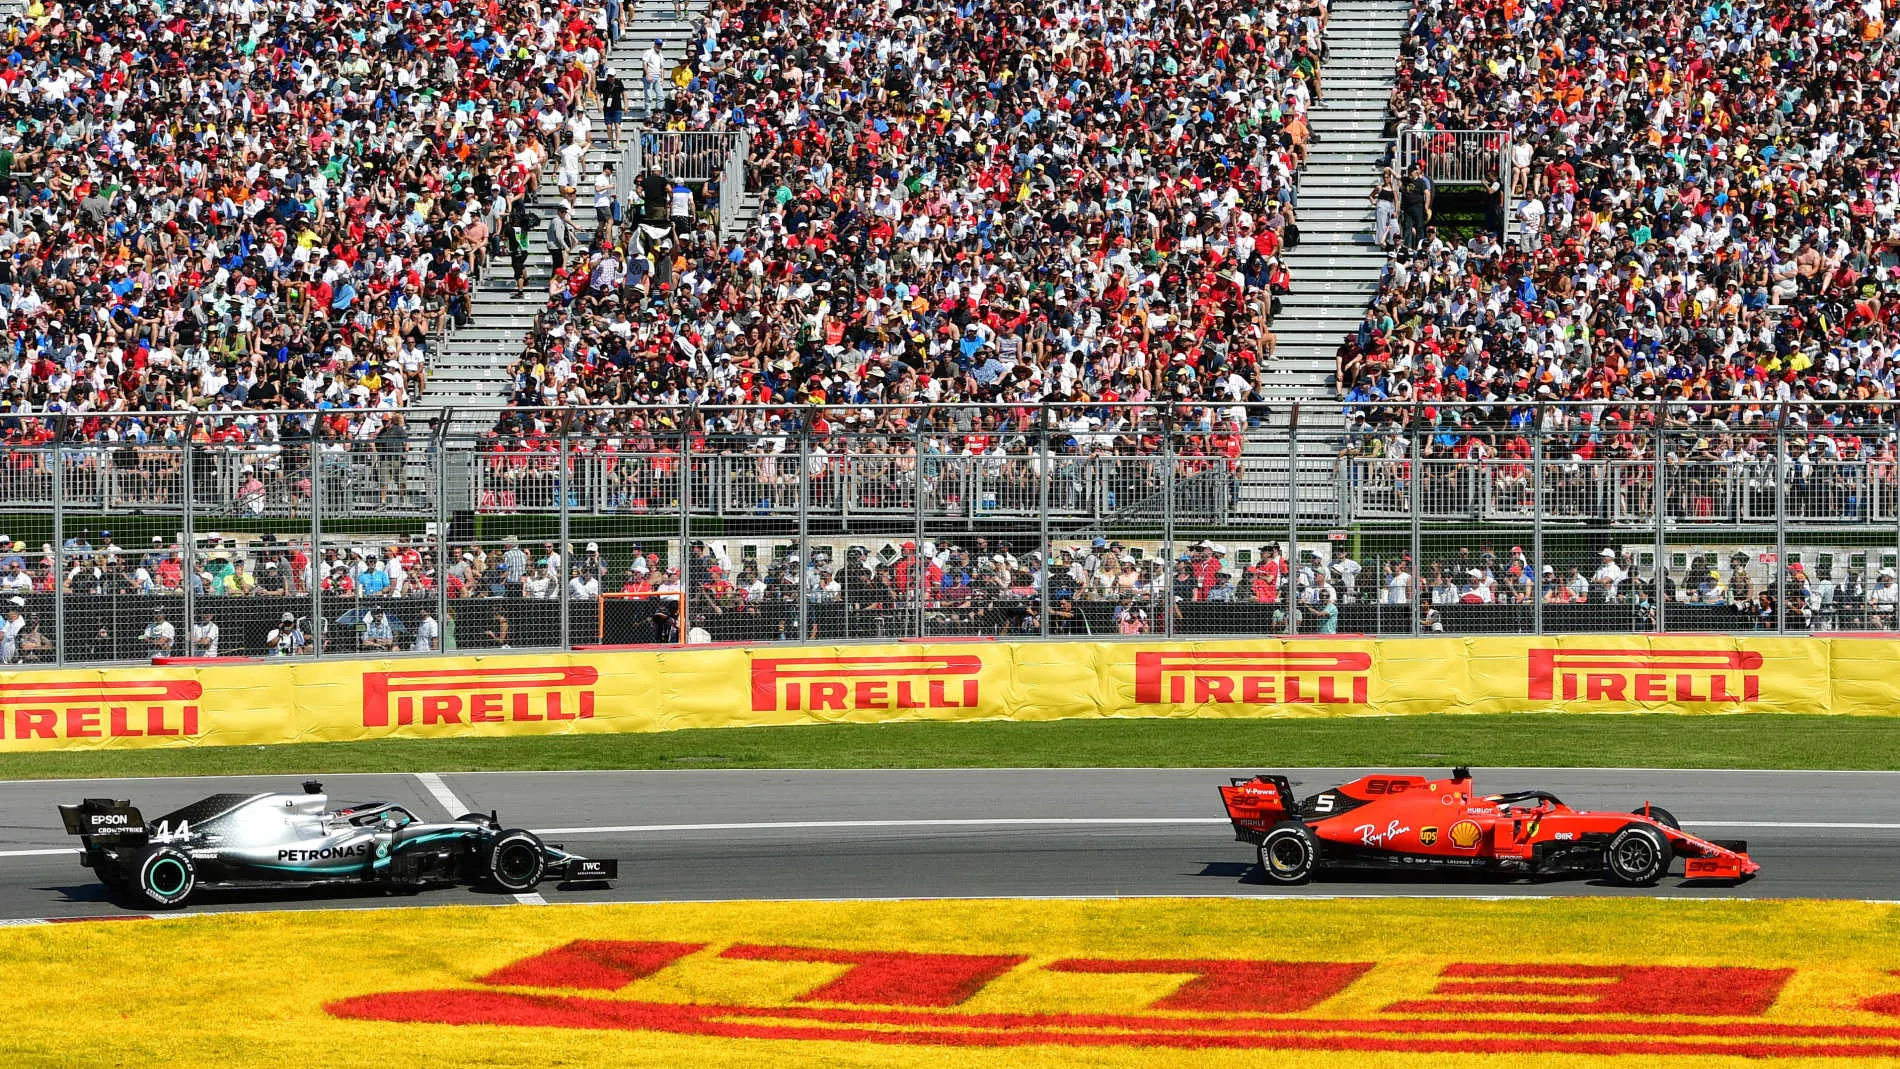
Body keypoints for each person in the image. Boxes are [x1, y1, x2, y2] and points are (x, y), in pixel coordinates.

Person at [1399, 163, 1431, 249]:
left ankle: (1420, 247)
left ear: (1415, 172)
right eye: (1408, 171)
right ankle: (1407, 247)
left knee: (1419, 226)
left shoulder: (1421, 182)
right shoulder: (1406, 180)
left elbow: (1427, 194)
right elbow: (1397, 177)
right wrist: (1390, 170)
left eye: (1411, 171)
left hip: (1418, 206)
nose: (1409, 173)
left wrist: (1426, 206)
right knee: (1407, 227)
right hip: (1408, 207)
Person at [600, 69, 626, 146]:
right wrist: (599, 105)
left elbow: (624, 94)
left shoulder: (619, 82)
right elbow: (598, 94)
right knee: (609, 126)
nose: (611, 77)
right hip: (607, 109)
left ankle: (617, 142)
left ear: (615, 76)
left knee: (617, 125)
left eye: (612, 76)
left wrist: (626, 105)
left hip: (617, 108)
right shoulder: (604, 84)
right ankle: (611, 142)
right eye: (609, 76)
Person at [642, 39, 668, 115]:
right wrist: (647, 75)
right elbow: (644, 63)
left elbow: (662, 67)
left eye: (660, 45)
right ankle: (647, 115)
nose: (659, 46)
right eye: (658, 44)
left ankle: (658, 113)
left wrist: (662, 79)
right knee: (649, 97)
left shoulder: (661, 55)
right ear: (655, 44)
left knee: (661, 96)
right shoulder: (648, 52)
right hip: (650, 76)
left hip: (658, 77)